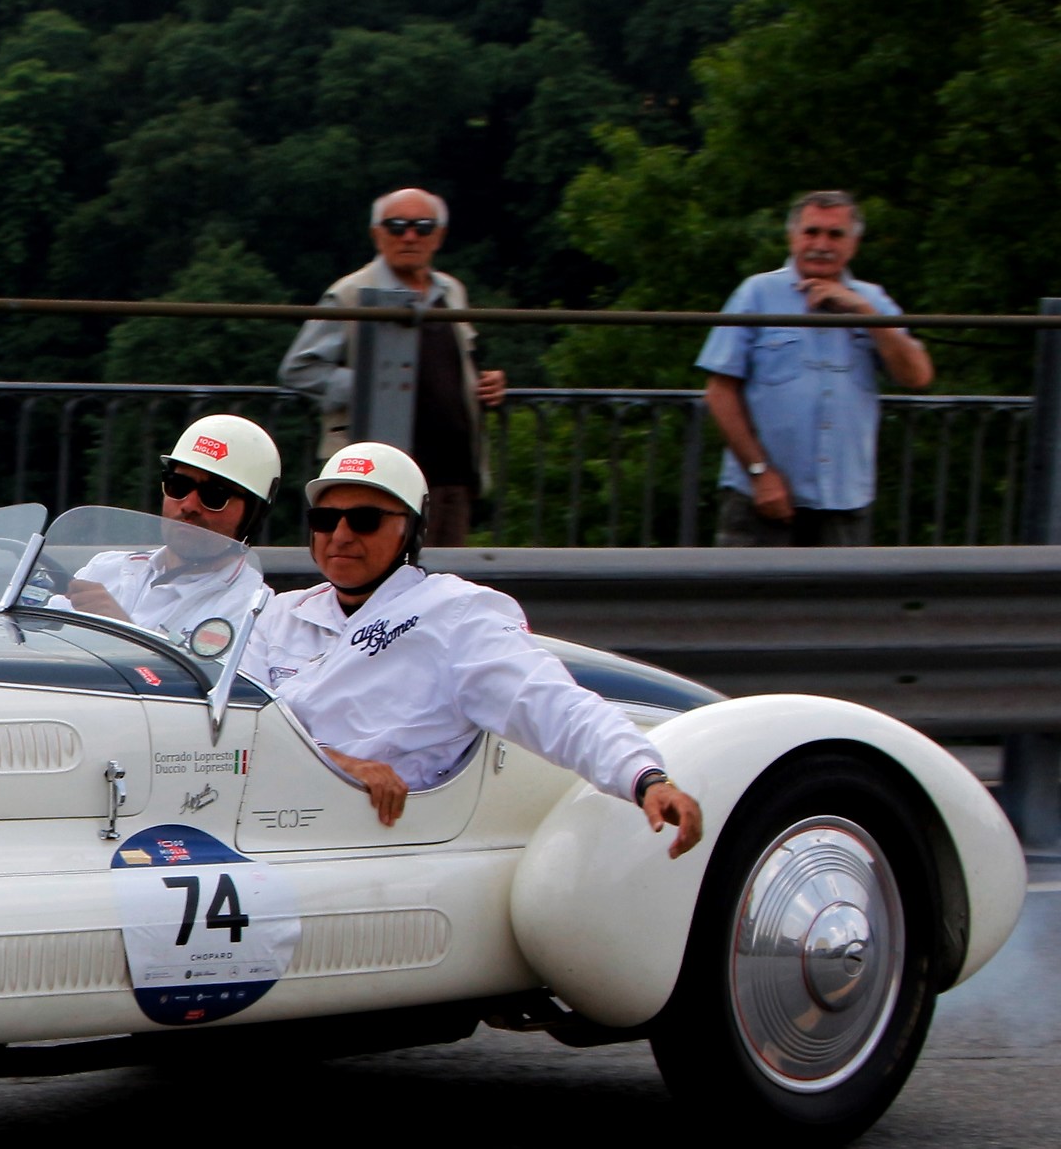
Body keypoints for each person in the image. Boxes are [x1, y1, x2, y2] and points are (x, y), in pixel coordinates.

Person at [246, 441, 702, 857]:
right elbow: (234, 722)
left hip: (381, 841)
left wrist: (645, 778)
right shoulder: (277, 613)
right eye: (324, 520)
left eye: (364, 520)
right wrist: (333, 761)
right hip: (266, 819)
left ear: (411, 531)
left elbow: (550, 703)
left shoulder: (456, 612)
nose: (340, 535)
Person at [698, 190, 932, 547]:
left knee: (837, 603)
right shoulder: (757, 293)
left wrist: (867, 315)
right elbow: (719, 391)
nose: (821, 244)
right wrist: (760, 473)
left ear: (853, 244)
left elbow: (917, 376)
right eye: (811, 232)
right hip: (763, 497)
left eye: (835, 235)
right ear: (792, 237)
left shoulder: (872, 300)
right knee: (752, 601)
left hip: (843, 499)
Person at [278, 188, 503, 548]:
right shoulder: (352, 293)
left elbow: (454, 363)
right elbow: (300, 368)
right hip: (377, 476)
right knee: (381, 574)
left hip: (450, 475)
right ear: (377, 234)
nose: (410, 236)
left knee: (445, 582)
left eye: (422, 227)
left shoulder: (451, 291)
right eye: (397, 226)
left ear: (439, 235)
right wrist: (372, 387)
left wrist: (485, 383)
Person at [55, 415, 278, 654]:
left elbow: (207, 688)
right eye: (177, 485)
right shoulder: (105, 569)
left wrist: (124, 634)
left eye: (215, 495)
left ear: (252, 514)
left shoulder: (252, 607)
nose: (189, 504)